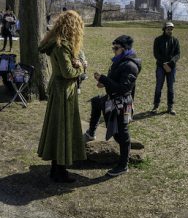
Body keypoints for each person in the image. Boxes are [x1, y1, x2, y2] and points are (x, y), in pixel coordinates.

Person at [37, 10, 88, 183]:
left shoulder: (58, 43)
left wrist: (78, 64)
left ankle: (56, 169)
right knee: (62, 130)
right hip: (63, 92)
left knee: (58, 129)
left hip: (62, 90)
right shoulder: (61, 45)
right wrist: (81, 67)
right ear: (72, 27)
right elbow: (68, 72)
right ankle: (60, 171)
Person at [83, 35, 141, 176]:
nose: (113, 50)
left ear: (124, 49)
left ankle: (123, 165)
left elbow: (122, 88)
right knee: (96, 101)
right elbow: (115, 80)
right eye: (113, 48)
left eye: (116, 48)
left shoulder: (131, 65)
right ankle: (91, 133)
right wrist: (104, 82)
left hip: (122, 104)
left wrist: (103, 79)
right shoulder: (120, 61)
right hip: (112, 100)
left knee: (121, 135)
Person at [151, 22, 180, 114]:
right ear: (164, 29)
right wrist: (164, 63)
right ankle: (155, 106)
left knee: (170, 87)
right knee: (159, 86)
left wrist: (171, 62)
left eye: (171, 29)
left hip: (171, 67)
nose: (170, 31)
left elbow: (178, 54)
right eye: (168, 29)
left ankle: (170, 107)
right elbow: (156, 53)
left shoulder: (175, 40)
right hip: (160, 66)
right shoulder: (158, 40)